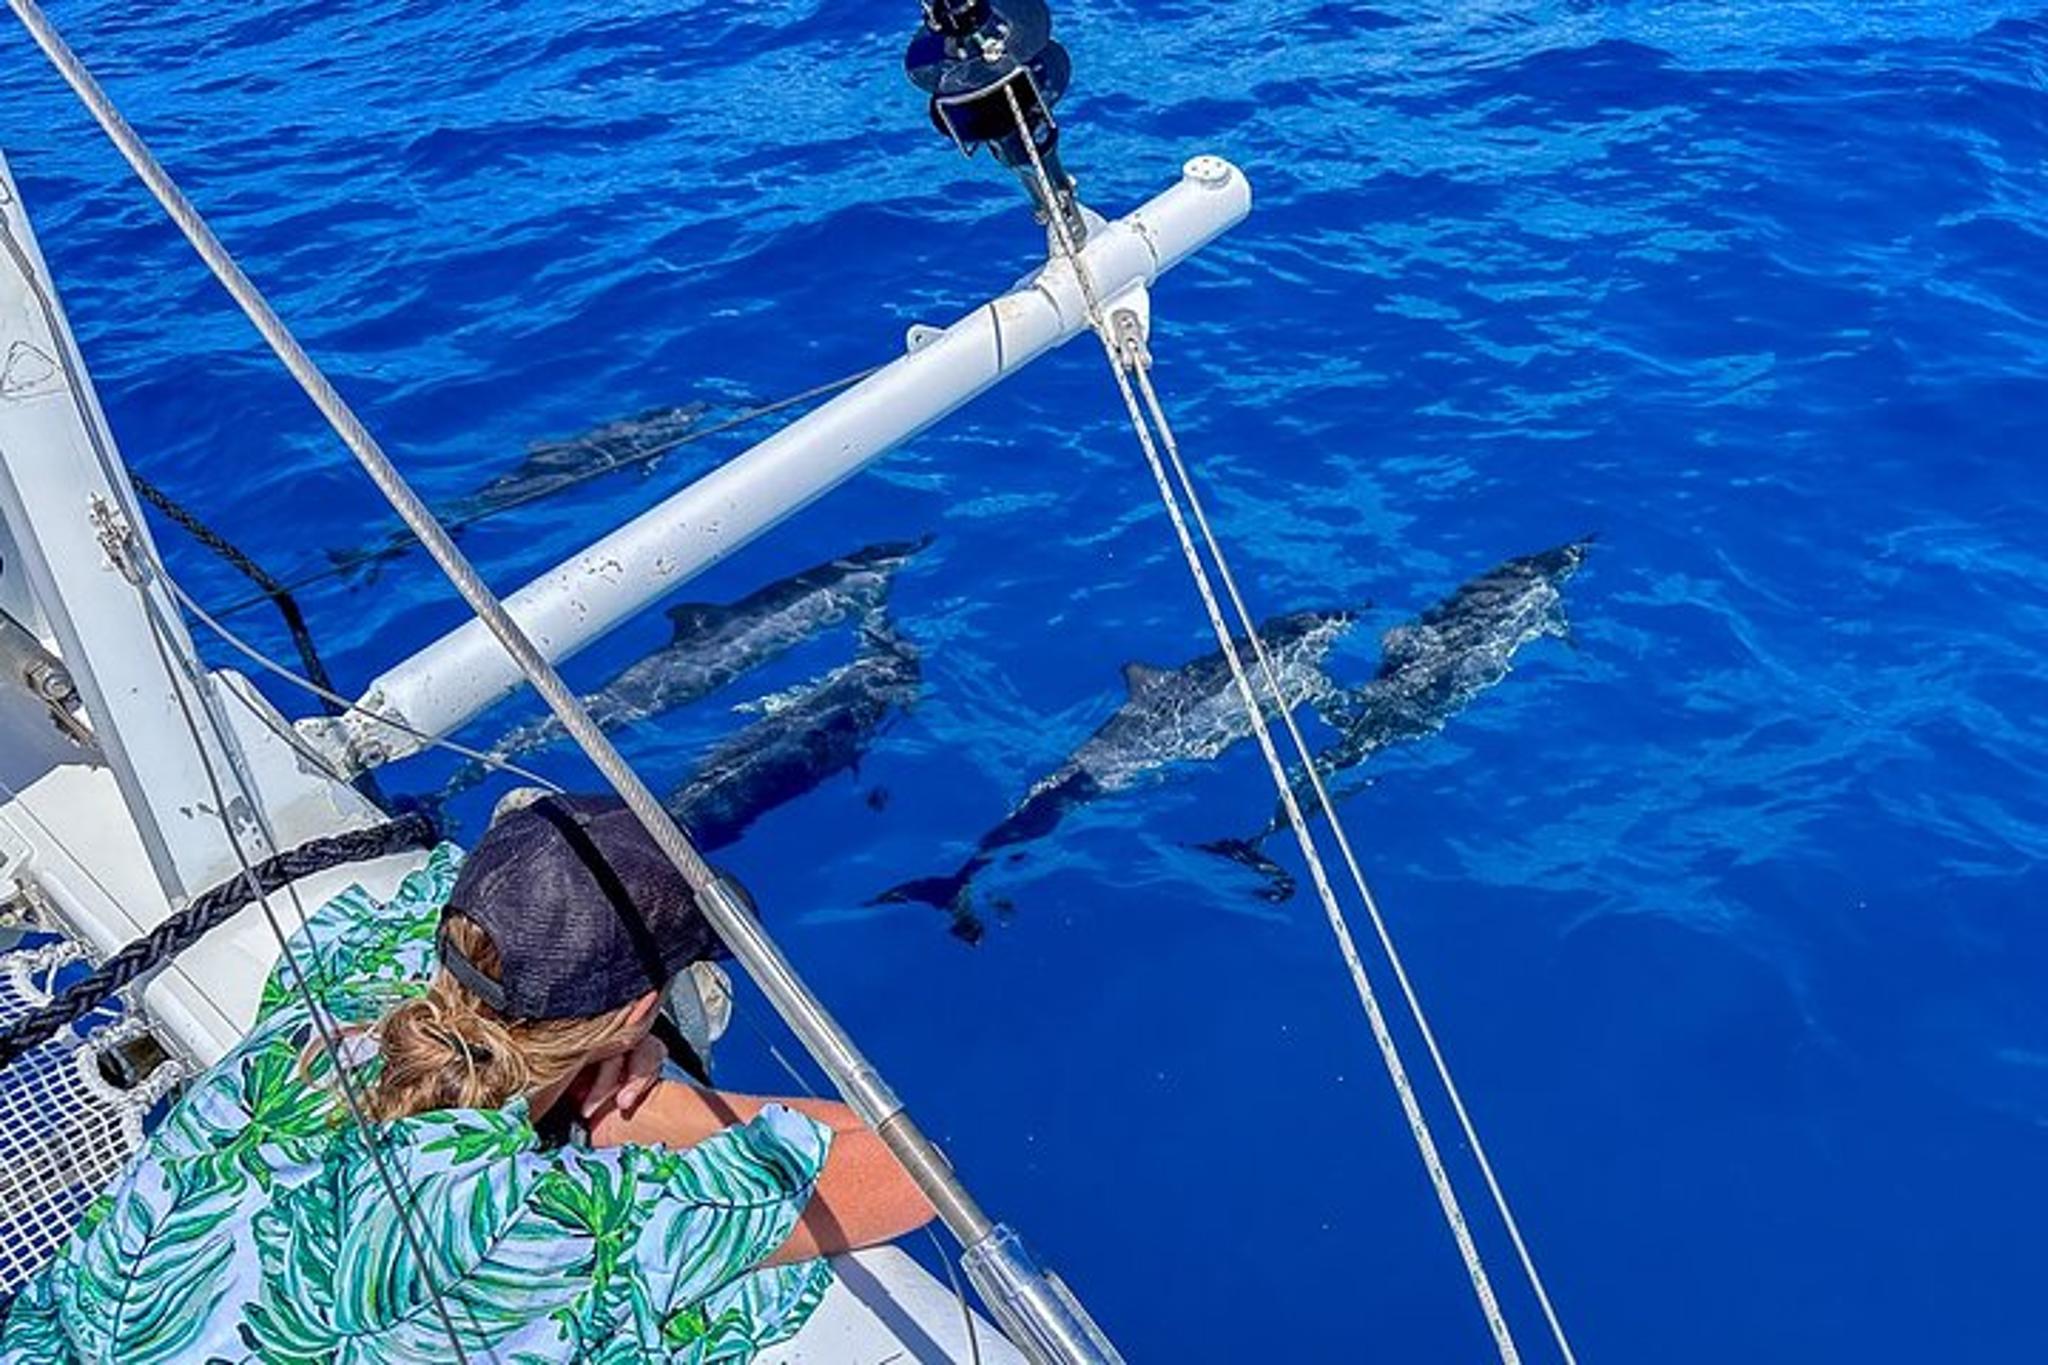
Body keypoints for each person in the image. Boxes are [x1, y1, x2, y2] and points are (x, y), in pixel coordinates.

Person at [0, 793, 934, 1364]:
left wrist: (591, 1043)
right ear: (639, 1008)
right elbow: (911, 1169)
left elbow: (437, 890)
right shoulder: (543, 1224)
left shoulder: (313, 1017)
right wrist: (617, 1115)